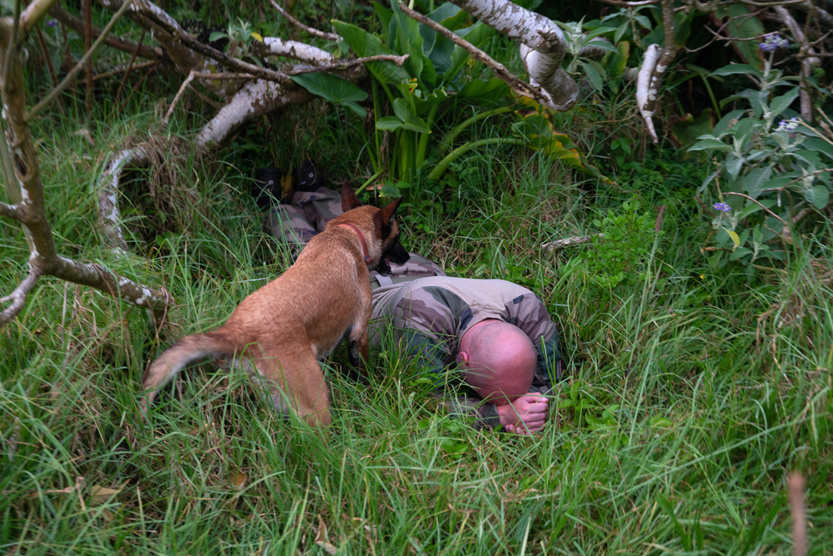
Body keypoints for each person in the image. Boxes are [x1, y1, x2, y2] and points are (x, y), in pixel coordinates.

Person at [257, 169, 563, 433]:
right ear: (461, 361)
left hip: (418, 268)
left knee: (352, 226)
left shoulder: (523, 301)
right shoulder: (418, 331)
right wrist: (501, 416)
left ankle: (313, 191)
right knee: (305, 244)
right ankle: (275, 201)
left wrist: (535, 401)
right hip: (359, 283)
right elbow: (429, 403)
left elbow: (547, 376)